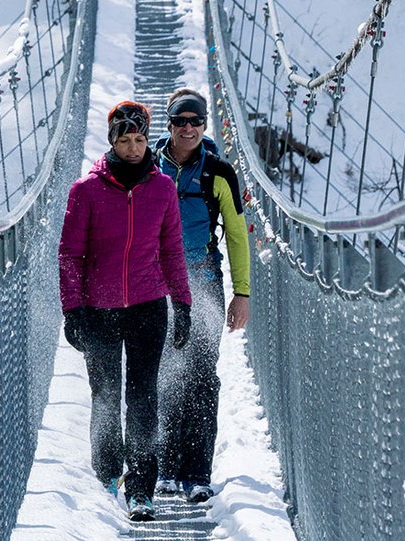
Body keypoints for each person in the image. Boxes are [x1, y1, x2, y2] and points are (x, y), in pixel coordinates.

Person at [58, 101, 193, 522]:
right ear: (112, 141)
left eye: (138, 139)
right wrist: (72, 311)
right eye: (124, 139)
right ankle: (106, 474)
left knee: (142, 398)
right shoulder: (86, 191)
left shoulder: (163, 189)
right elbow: (69, 256)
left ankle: (140, 488)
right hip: (98, 311)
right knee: (105, 394)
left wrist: (183, 302)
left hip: (148, 308)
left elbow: (171, 251)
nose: (133, 148)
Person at [152, 88, 251, 503]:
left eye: (195, 121)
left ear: (205, 124)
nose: (188, 128)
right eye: (180, 121)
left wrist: (242, 293)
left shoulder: (220, 172)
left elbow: (237, 234)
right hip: (155, 283)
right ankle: (164, 470)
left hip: (204, 282)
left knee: (201, 378)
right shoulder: (148, 168)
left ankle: (196, 474)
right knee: (160, 373)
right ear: (169, 125)